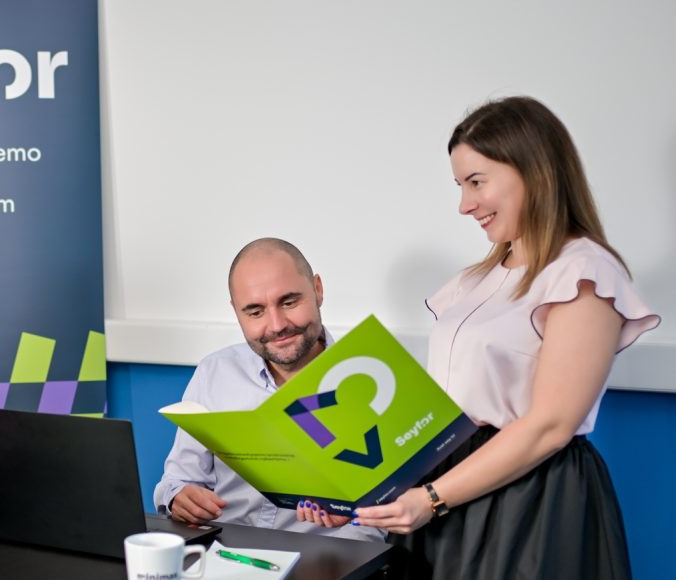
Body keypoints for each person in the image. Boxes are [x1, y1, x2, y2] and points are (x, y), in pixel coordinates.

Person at [352, 97, 660, 578]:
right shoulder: (477, 279)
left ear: (535, 172)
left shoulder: (584, 272)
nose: (465, 205)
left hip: (529, 502)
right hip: (448, 495)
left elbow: (551, 425)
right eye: (460, 186)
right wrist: (359, 495)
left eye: (477, 182)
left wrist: (431, 498)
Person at [154, 238, 383, 542]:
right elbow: (178, 480)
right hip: (222, 550)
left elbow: (376, 523)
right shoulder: (215, 371)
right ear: (236, 311)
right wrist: (178, 497)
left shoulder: (372, 382)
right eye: (255, 312)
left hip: (324, 554)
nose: (276, 325)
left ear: (317, 289)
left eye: (289, 303)